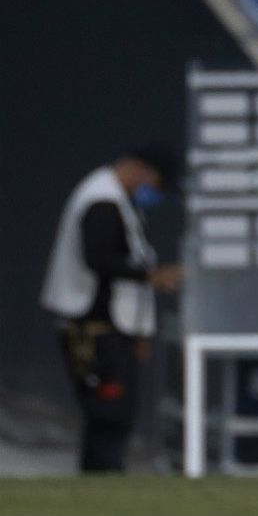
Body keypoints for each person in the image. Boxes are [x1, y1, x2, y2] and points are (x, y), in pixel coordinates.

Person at [40, 146, 183, 472]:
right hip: (93, 327)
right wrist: (150, 276)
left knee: (113, 413)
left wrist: (140, 330)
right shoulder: (101, 201)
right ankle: (103, 478)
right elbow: (100, 258)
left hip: (112, 328)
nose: (154, 193)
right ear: (139, 169)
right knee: (109, 410)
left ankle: (101, 480)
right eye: (156, 184)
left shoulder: (118, 200)